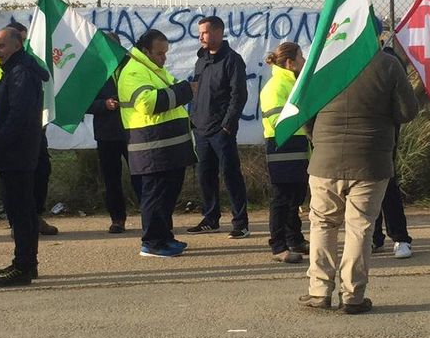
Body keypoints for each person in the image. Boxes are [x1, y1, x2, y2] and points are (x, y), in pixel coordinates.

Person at [300, 45, 423, 314]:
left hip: (325, 161)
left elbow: (305, 110)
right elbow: (407, 112)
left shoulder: (324, 63)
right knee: (360, 227)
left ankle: (319, 291)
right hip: (372, 160)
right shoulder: (387, 65)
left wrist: (320, 142)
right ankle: (353, 296)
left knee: (322, 223)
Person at [117, 28, 196, 258]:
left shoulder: (153, 70)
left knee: (166, 195)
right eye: (160, 54)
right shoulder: (134, 71)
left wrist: (181, 90)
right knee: (156, 195)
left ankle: (164, 237)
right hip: (152, 148)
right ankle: (152, 242)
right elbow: (148, 103)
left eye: (165, 54)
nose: (164, 59)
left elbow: (171, 90)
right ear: (145, 51)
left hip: (167, 147)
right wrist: (184, 91)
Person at [0, 20, 57, 236]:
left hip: (35, 128)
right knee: (14, 186)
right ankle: (20, 225)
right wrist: (1, 102)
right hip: (9, 132)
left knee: (41, 173)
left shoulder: (32, 64)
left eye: (25, 38)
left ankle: (34, 217)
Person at [0, 26, 48, 287]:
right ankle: (25, 262)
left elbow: (18, 114)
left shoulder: (20, 72)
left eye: (1, 46)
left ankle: (23, 266)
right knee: (22, 209)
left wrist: (1, 141)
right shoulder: (16, 69)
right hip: (19, 151)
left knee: (20, 210)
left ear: (16, 45)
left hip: (17, 153)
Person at [190, 15, 251, 238]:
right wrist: (194, 118)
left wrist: (227, 125)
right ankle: (211, 218)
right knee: (205, 174)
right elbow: (196, 90)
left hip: (221, 131)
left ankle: (240, 222)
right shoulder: (201, 59)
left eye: (204, 32)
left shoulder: (232, 60)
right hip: (201, 129)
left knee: (231, 174)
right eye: (200, 33)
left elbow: (239, 95)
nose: (200, 37)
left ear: (217, 32)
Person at [259, 41, 309, 263]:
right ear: (290, 63)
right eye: (300, 57)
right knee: (282, 198)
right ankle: (278, 246)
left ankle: (295, 239)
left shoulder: (295, 84)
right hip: (282, 147)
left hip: (298, 147)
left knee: (296, 197)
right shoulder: (275, 87)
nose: (304, 61)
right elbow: (278, 121)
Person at [88, 32, 131, 234]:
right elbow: (84, 103)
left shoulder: (132, 65)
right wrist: (104, 104)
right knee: (111, 179)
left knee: (143, 176)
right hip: (107, 133)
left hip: (133, 130)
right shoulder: (94, 70)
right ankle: (117, 219)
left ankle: (153, 217)